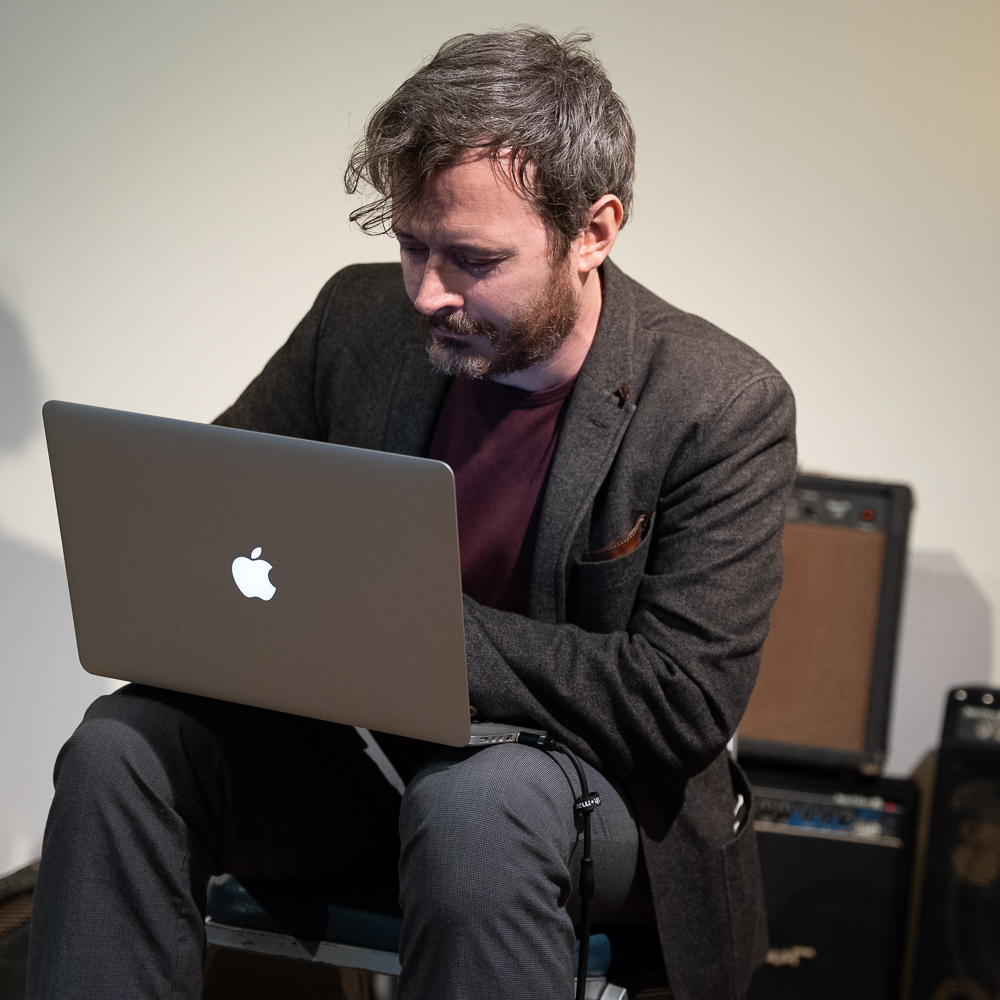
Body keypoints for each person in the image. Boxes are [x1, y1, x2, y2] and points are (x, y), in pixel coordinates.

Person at [26, 28, 796, 1000]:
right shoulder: (358, 323)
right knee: (120, 748)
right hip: (358, 767)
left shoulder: (719, 403)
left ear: (594, 231)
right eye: (411, 245)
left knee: (475, 804)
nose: (430, 292)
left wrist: (417, 631)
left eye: (473, 259)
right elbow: (219, 511)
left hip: (588, 795)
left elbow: (676, 704)